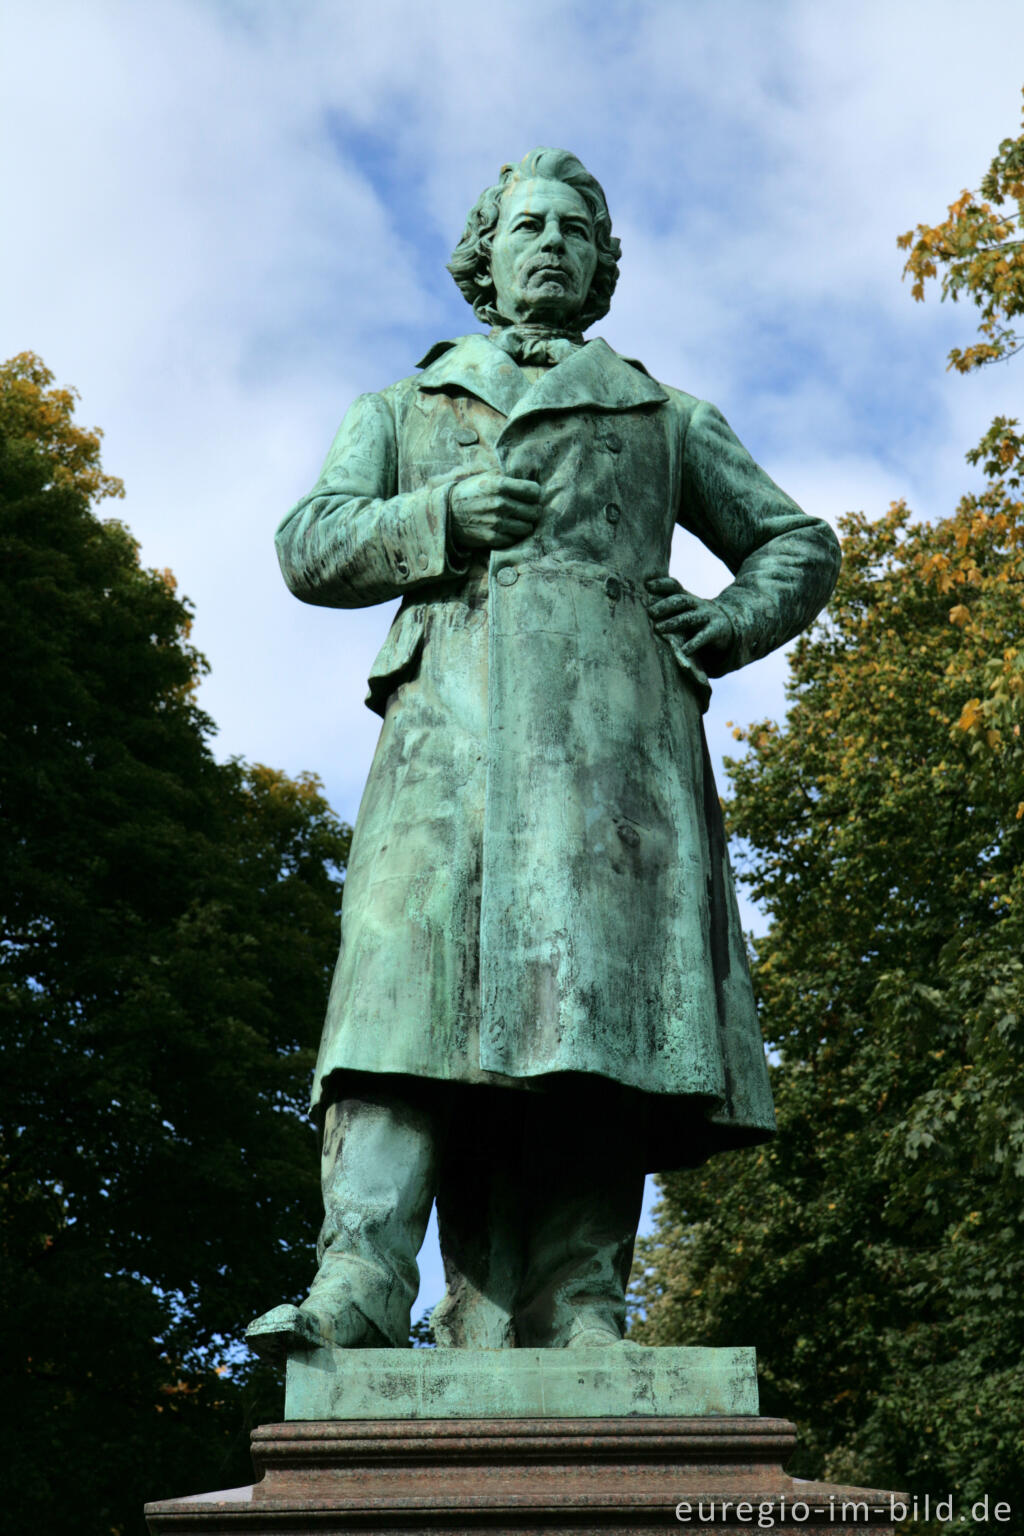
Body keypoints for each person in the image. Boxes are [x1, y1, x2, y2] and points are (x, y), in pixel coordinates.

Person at [247, 147, 840, 1357]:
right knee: (393, 1014)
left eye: (577, 229)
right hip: (443, 750)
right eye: (530, 227)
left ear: (601, 264)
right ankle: (358, 1284)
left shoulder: (661, 413)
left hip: (609, 759)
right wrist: (435, 520)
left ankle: (580, 1305)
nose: (553, 245)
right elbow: (310, 547)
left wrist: (722, 628)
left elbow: (796, 543)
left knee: (591, 1031)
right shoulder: (403, 409)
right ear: (486, 258)